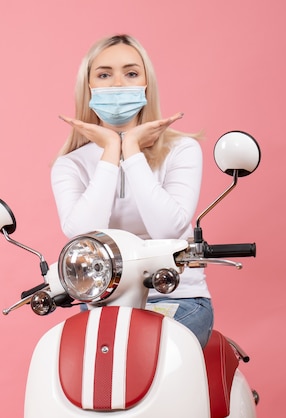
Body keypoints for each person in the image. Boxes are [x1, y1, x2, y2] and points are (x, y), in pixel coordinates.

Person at [51, 34, 213, 347]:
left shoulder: (182, 150)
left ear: (146, 84)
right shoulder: (70, 165)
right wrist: (112, 150)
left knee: (141, 352)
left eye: (131, 73)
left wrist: (133, 150)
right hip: (104, 301)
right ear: (88, 88)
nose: (117, 84)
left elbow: (169, 229)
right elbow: (84, 234)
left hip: (179, 297)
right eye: (103, 74)